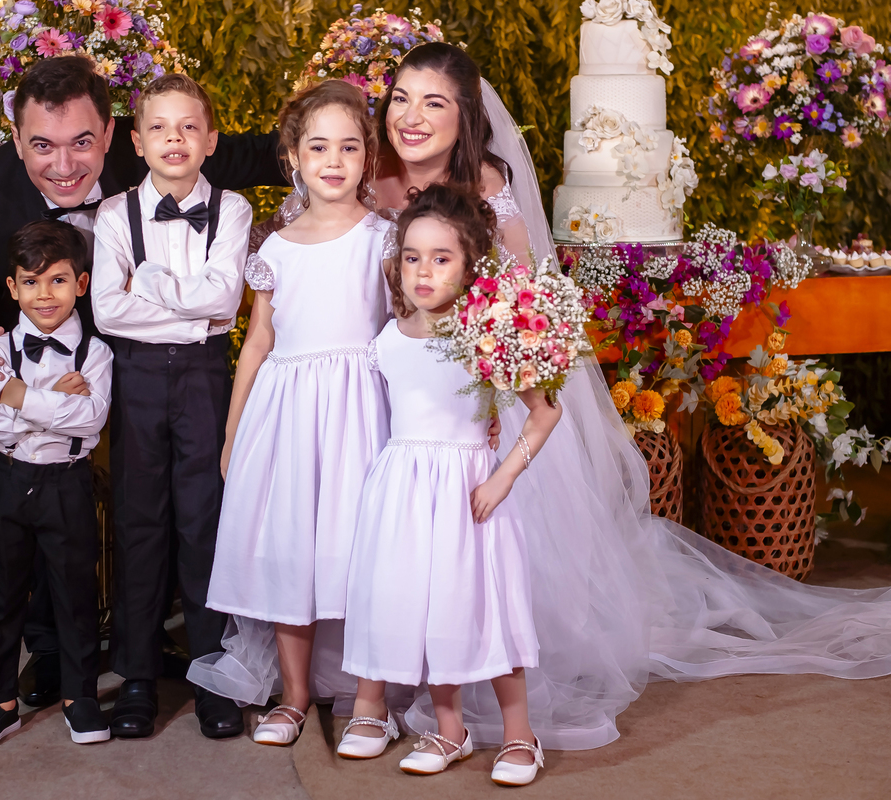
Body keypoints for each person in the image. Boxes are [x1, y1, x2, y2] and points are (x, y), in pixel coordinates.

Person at [372, 41, 891, 751]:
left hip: (479, 404)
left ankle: (486, 681)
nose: (411, 116)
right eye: (401, 98)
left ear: (465, 117)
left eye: (433, 103)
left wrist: (493, 397)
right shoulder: (372, 178)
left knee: (485, 554)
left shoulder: (488, 184)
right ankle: (387, 663)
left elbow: (530, 304)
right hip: (395, 387)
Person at [0, 55, 285, 708]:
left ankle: (182, 646)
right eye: (42, 146)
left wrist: (367, 146)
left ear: (113, 133)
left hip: (155, 359)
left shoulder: (157, 147)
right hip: (58, 367)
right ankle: (54, 651)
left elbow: (253, 154)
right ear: (16, 140)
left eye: (81, 143)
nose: (65, 165)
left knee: (184, 508)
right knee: (51, 497)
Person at [188, 80, 395, 746]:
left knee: (363, 550)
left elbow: (407, 332)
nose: (334, 160)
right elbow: (257, 343)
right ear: (293, 158)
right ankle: (295, 693)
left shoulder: (385, 239)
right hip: (287, 413)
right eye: (318, 147)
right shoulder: (275, 246)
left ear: (368, 157)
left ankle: (371, 699)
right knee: (290, 548)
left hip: (360, 411)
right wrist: (234, 431)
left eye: (349, 147)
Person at [339, 184, 552, 785]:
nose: (424, 271)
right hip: (402, 491)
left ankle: (520, 734)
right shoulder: (390, 335)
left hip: (468, 493)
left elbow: (545, 411)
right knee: (430, 607)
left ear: (470, 263)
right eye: (412, 257)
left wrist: (503, 477)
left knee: (485, 607)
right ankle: (450, 729)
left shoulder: (486, 334)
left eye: (441, 258)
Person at [90, 73, 251, 740]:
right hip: (135, 378)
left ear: (210, 140)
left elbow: (225, 300)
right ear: (137, 141)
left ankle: (212, 672)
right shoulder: (113, 215)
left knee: (204, 520)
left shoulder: (233, 210)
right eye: (159, 127)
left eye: (189, 126)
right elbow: (108, 310)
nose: (174, 138)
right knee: (139, 519)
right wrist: (192, 309)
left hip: (205, 378)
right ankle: (136, 675)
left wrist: (150, 284)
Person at [0, 219, 113, 749]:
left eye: (58, 280)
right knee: (3, 595)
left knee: (75, 594)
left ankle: (80, 698)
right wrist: (54, 400)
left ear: (81, 284)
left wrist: (18, 396)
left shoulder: (96, 354)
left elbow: (89, 420)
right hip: (9, 480)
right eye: (31, 282)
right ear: (12, 287)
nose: (44, 294)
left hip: (67, 485)